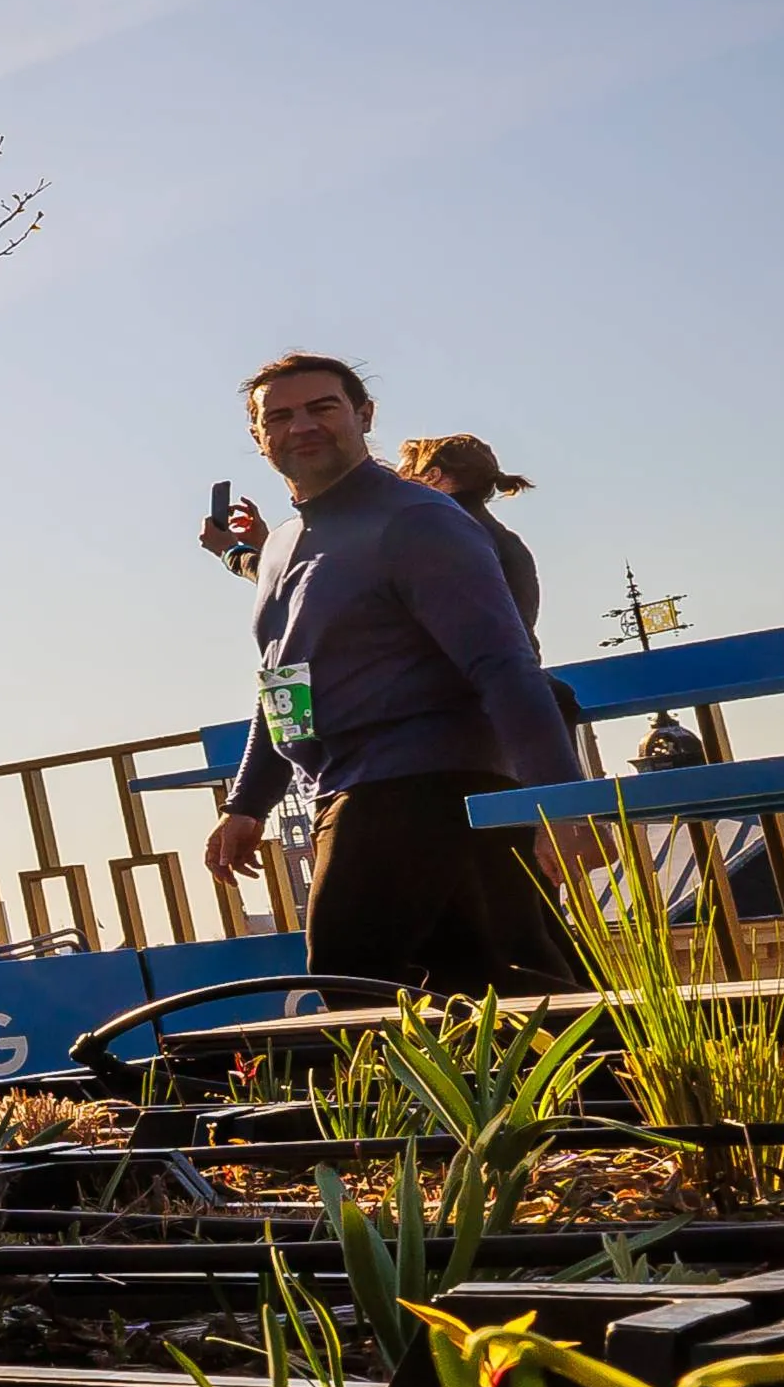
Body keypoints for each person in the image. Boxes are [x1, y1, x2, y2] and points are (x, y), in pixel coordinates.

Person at [204, 355, 576, 997]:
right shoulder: (287, 542)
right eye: (281, 416)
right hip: (353, 786)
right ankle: (620, 1096)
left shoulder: (416, 519)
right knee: (504, 990)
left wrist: (562, 804)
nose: (303, 427)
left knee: (357, 985)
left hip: (419, 786)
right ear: (259, 436)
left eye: (323, 408)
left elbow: (505, 664)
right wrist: (247, 803)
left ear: (364, 415)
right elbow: (285, 685)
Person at [396, 433, 544, 640]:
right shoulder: (508, 541)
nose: (395, 487)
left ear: (432, 475)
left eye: (403, 475)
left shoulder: (437, 535)